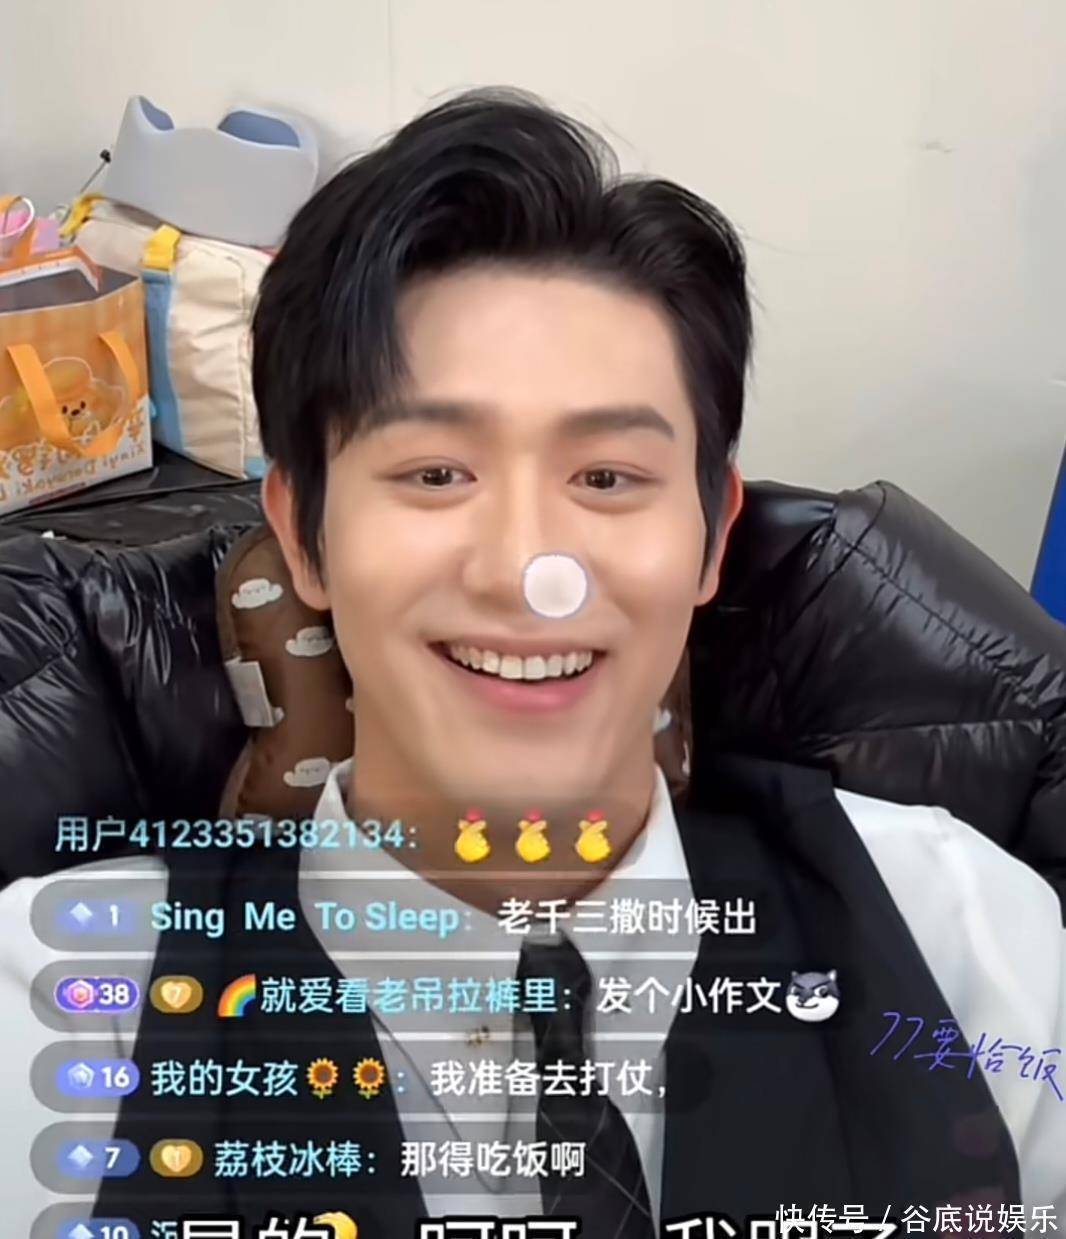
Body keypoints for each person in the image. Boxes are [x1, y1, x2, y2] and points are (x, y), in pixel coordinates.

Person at [0, 88, 1063, 1238]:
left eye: (606, 477)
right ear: (303, 536)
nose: (526, 572)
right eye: (434, 474)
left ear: (710, 539)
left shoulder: (956, 935)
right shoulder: (60, 1002)